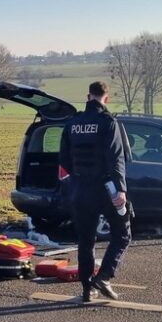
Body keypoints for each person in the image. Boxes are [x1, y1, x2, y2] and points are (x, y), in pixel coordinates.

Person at [59, 81, 131, 302]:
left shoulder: (72, 124)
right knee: (122, 233)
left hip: (80, 188)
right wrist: (120, 190)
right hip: (105, 188)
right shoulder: (108, 122)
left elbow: (63, 159)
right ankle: (105, 276)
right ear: (106, 98)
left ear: (88, 96)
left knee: (86, 240)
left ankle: (87, 289)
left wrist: (80, 176)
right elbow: (116, 157)